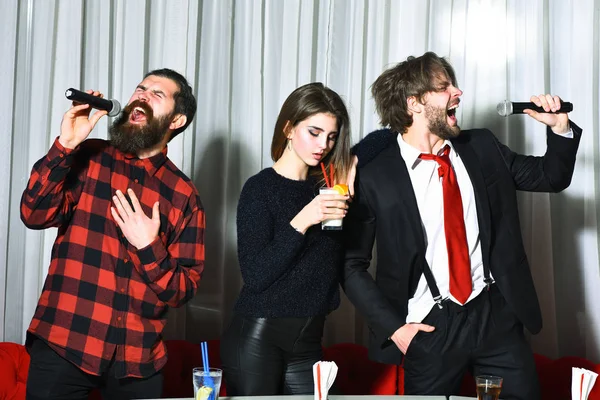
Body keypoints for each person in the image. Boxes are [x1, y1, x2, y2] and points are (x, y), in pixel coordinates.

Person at [342, 52, 581, 400]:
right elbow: (351, 265)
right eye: (444, 87)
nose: (459, 92)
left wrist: (560, 128)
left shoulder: (481, 146)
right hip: (429, 329)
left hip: (495, 317)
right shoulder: (376, 174)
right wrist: (396, 330)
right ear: (415, 103)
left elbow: (550, 177)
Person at [21, 68, 204, 400]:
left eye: (156, 94)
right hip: (64, 343)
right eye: (140, 88)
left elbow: (183, 291)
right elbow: (33, 214)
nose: (141, 96)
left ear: (176, 121)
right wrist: (65, 145)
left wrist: (148, 246)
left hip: (137, 363)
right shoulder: (91, 157)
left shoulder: (183, 194)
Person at [220, 82, 352, 395]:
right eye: (314, 132)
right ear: (289, 128)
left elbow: (379, 144)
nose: (323, 145)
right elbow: (255, 276)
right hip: (258, 337)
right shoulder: (260, 188)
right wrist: (303, 220)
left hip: (309, 339)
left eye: (332, 136)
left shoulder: (329, 191)